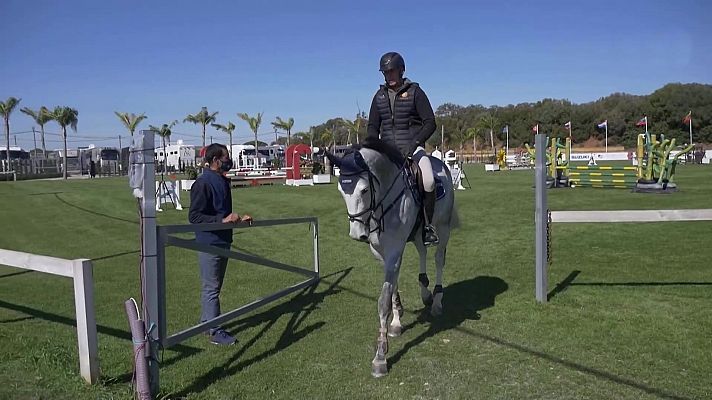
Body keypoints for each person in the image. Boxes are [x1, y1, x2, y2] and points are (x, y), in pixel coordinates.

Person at [367, 51, 439, 246]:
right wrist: (373, 147)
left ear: (401, 70)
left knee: (429, 181)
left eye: (391, 71)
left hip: (413, 149)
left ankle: (428, 227)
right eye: (385, 72)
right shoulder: (379, 96)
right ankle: (369, 224)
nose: (388, 76)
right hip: (388, 153)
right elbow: (373, 126)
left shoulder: (415, 92)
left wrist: (414, 143)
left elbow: (430, 123)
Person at [189, 143, 252, 345]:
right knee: (212, 288)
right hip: (209, 242)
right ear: (216, 160)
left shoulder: (222, 181)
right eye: (226, 157)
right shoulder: (202, 183)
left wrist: (240, 220)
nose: (228, 161)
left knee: (214, 286)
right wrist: (222, 221)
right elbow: (195, 217)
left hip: (223, 240)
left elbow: (223, 214)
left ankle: (206, 322)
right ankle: (215, 331)